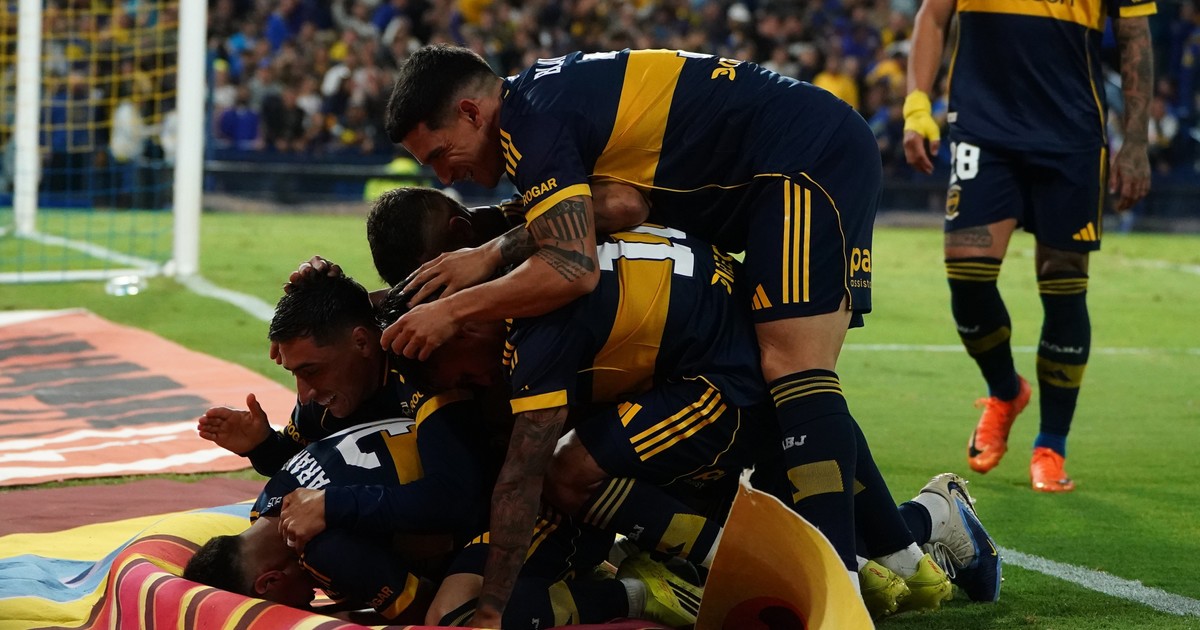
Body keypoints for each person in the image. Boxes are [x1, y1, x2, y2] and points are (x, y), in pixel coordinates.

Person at [379, 45, 893, 612]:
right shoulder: (540, 102)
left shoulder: (529, 123)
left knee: (793, 364)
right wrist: (489, 250)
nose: (444, 175)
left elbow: (573, 267)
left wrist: (455, 308)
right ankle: (901, 549)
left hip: (801, 157)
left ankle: (836, 587)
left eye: (440, 153)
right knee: (788, 375)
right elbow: (623, 202)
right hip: (795, 155)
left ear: (472, 112)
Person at [363, 187, 1012, 623]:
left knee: (567, 469)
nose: (476, 381)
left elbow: (523, 472)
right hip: (725, 345)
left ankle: (794, 564)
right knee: (797, 453)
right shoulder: (530, 229)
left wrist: (491, 606)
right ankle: (922, 524)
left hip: (721, 375)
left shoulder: (528, 310)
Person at [902, 0, 1155, 491]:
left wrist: (1137, 142)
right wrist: (916, 106)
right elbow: (932, 16)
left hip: (1072, 135)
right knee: (967, 276)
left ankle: (1051, 446)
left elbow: (1135, 37)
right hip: (983, 128)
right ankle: (1005, 391)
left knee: (1063, 284)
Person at [184, 414, 487, 623]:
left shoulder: (324, 549)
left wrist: (327, 619)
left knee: (445, 617)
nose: (310, 599)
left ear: (271, 580)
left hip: (497, 512)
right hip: (469, 453)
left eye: (300, 604)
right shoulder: (266, 502)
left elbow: (418, 610)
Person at [196, 271, 476, 479]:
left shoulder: (421, 370)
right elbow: (298, 462)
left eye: (311, 370)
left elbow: (452, 496)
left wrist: (331, 506)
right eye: (294, 373)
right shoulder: (321, 401)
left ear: (361, 342)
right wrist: (261, 445)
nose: (304, 395)